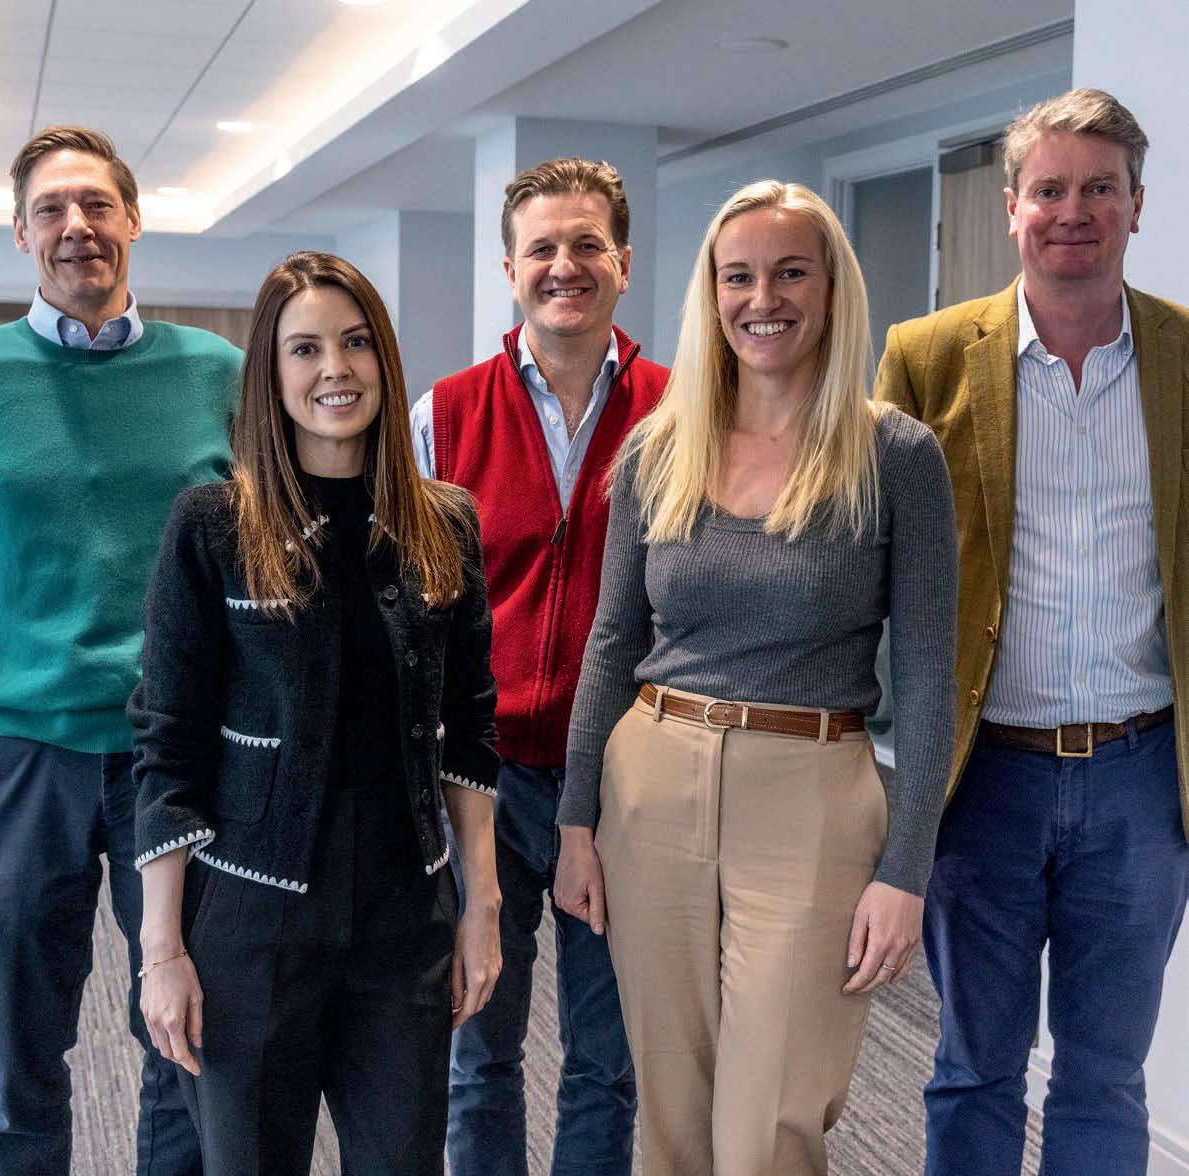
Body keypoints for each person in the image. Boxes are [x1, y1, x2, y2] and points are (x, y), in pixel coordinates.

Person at [556, 180, 958, 1176]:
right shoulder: (658, 448)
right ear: (711, 295)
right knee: (673, 1121)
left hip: (811, 796)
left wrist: (906, 871)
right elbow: (612, 643)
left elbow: (928, 673)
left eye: (789, 273)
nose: (762, 299)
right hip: (651, 786)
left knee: (767, 1128)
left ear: (831, 289)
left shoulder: (895, 455)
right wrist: (575, 823)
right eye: (737, 277)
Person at [129, 251, 502, 1174]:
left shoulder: (444, 523)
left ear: (385, 359)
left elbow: (469, 729)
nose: (335, 368)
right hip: (250, 923)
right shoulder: (213, 526)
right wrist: (161, 949)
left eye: (356, 342)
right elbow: (169, 746)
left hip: (404, 919)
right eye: (305, 349)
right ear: (272, 371)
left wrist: (482, 905)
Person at [875, 87, 1189, 1176]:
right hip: (983, 778)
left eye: (1099, 187)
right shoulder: (925, 357)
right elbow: (876, 566)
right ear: (1010, 206)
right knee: (975, 1065)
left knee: (1106, 1075)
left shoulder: (1182, 354)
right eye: (1048, 189)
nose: (1073, 211)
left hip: (1139, 781)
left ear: (1137, 204)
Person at [0, 125, 242, 1175]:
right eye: (51, 209)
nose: (76, 226)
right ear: (20, 233)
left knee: (188, 1031)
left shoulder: (219, 372)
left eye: (97, 204)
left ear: (134, 219)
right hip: (18, 754)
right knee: (11, 1041)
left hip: (174, 753)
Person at [410, 157, 669, 1175]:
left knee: (608, 1059)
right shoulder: (443, 415)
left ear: (624, 264)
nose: (565, 265)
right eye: (543, 248)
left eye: (587, 244)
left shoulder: (679, 412)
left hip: (625, 779)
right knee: (479, 1045)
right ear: (510, 269)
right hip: (479, 776)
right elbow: (408, 599)